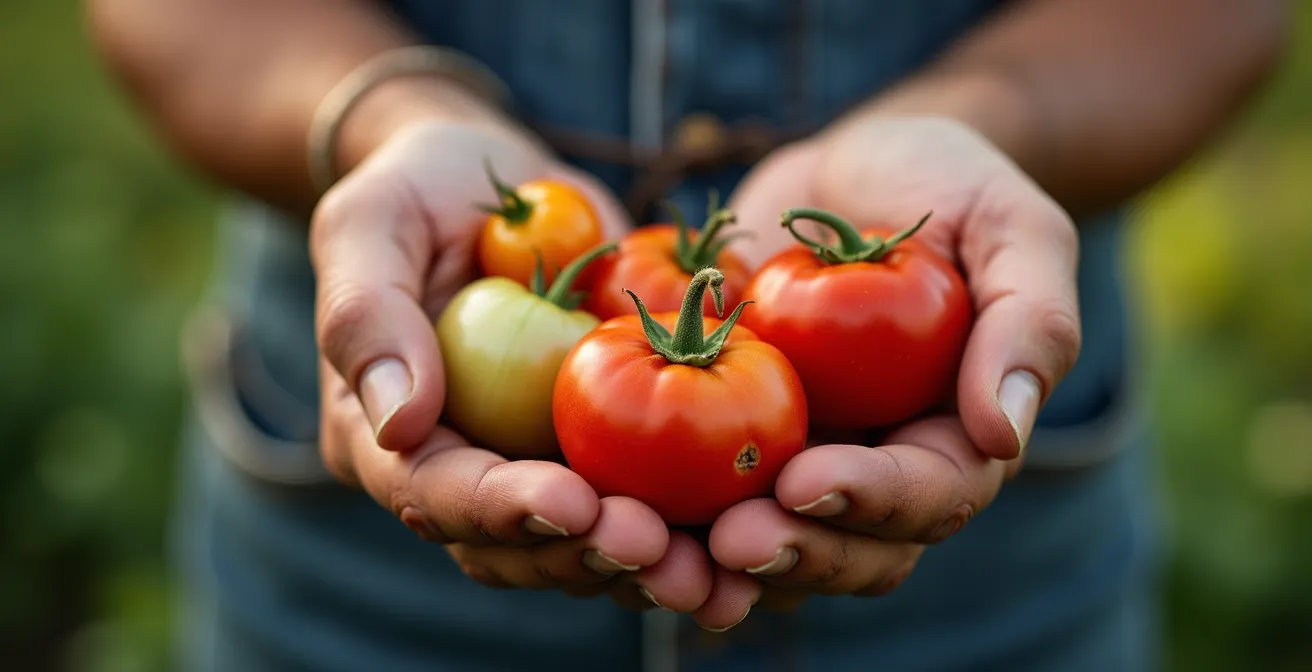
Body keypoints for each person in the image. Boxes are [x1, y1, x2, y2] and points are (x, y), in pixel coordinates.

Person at [87, 1, 1286, 670]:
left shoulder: (669, 329)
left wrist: (986, 118)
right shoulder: (723, 337)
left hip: (997, 594)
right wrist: (388, 123)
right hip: (351, 589)